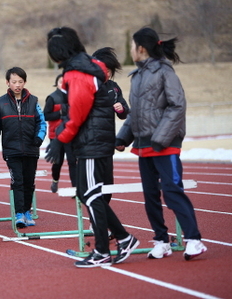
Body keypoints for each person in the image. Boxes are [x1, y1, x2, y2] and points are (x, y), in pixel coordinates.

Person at [45, 27, 138, 267]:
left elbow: (76, 114)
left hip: (90, 143)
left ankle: (103, 250)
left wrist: (60, 140)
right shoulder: (83, 67)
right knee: (91, 194)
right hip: (94, 140)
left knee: (90, 194)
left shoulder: (77, 73)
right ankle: (124, 239)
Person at [116, 27, 207, 261]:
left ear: (141, 48)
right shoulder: (137, 76)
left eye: (132, 46)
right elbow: (136, 113)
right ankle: (161, 241)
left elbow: (177, 106)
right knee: (150, 196)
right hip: (144, 144)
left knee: (172, 190)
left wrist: (160, 139)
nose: (130, 51)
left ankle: (194, 240)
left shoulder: (165, 72)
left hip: (165, 144)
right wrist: (123, 137)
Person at [0, 67, 46, 229]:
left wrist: (39, 138)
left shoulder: (34, 101)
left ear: (25, 82)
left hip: (31, 148)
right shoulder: (1, 103)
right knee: (18, 181)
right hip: (12, 150)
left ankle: (27, 211)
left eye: (20, 82)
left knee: (29, 182)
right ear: (8, 83)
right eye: (14, 82)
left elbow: (41, 122)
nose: (17, 85)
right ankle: (19, 213)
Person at [92, 47, 129, 207]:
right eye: (103, 69)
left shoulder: (114, 88)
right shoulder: (87, 87)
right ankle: (97, 223)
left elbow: (125, 113)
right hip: (89, 147)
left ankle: (101, 221)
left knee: (107, 187)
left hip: (107, 145)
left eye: (109, 70)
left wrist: (122, 108)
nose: (106, 73)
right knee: (93, 187)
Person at [43, 74, 77, 192]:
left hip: (70, 134)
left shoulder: (74, 96)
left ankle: (75, 188)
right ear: (56, 83)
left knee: (73, 161)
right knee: (58, 162)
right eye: (60, 81)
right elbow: (45, 115)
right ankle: (55, 180)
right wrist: (60, 113)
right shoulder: (52, 98)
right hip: (56, 136)